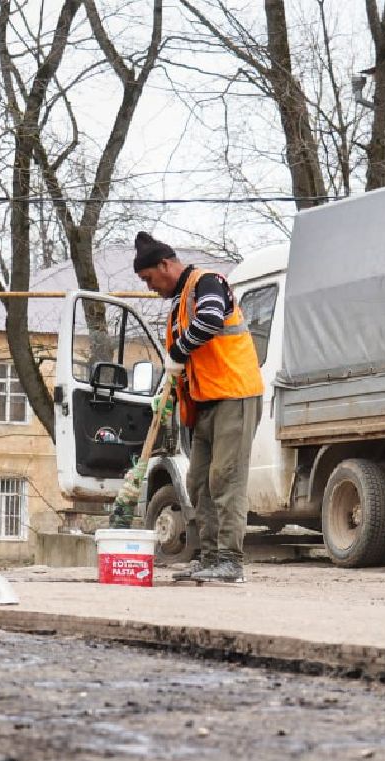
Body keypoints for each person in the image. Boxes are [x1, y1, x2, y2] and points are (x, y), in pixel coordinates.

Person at [134, 232, 264, 583]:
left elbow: (210, 320)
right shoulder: (179, 303)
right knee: (198, 482)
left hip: (234, 395)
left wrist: (178, 353)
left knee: (226, 478)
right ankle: (208, 557)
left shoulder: (206, 283)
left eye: (148, 278)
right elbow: (191, 359)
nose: (149, 287)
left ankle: (229, 561)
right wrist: (170, 389)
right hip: (206, 401)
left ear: (165, 265)